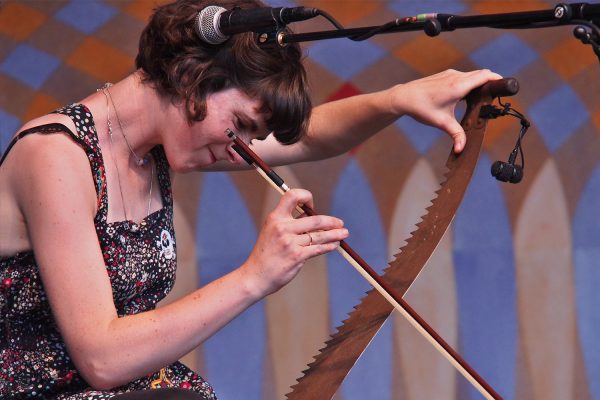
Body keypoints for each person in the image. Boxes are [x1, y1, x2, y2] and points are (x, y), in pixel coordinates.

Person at [0, 0, 501, 398]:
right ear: (189, 77)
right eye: (239, 126)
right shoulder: (56, 155)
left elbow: (310, 137)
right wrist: (254, 276)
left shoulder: (153, 145)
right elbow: (102, 359)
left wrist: (397, 99)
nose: (238, 147)